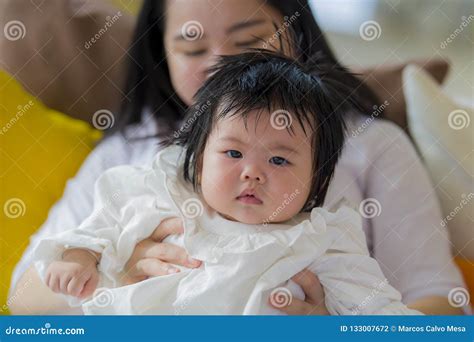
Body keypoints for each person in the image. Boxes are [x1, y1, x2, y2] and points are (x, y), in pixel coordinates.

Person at [9, 0, 465, 315]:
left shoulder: (370, 144)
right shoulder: (128, 159)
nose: (221, 63)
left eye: (248, 41)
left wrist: (334, 327)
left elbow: (441, 306)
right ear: (161, 55)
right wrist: (114, 272)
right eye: (192, 47)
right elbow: (24, 295)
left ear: (298, 37)